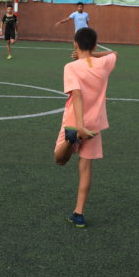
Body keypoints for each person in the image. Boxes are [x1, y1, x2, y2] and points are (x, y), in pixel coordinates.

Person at [53, 27, 117, 229]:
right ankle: (78, 213)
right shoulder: (104, 63)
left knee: (59, 160)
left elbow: (77, 95)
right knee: (86, 167)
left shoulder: (71, 67)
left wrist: (78, 126)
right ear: (95, 45)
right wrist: (94, 53)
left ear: (75, 44)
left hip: (75, 121)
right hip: (95, 124)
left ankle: (70, 139)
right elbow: (114, 53)